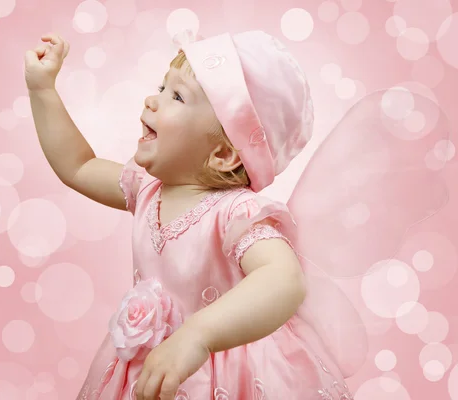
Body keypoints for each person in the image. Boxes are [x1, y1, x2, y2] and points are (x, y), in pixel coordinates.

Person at [25, 29, 449, 400]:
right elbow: (77, 166)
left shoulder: (237, 212)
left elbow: (283, 280)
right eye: (161, 86)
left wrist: (199, 334)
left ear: (225, 153)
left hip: (226, 375)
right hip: (153, 364)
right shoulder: (147, 188)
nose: (151, 100)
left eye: (176, 96)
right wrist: (43, 91)